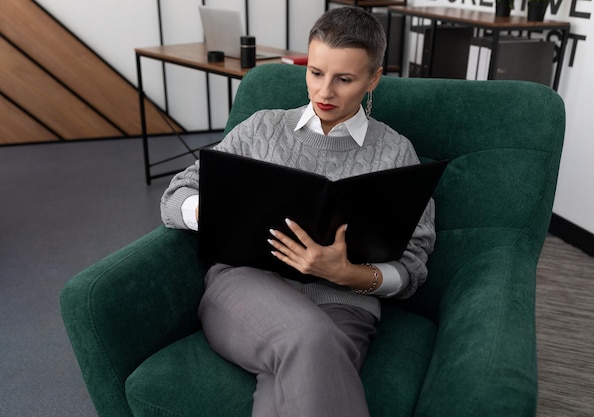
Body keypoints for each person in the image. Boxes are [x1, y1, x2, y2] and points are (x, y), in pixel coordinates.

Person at [160, 7, 435, 417]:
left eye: (345, 79)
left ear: (373, 78)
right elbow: (175, 196)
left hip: (346, 305)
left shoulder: (396, 153)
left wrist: (349, 275)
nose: (325, 92)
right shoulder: (261, 128)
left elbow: (412, 266)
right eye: (316, 73)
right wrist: (218, 211)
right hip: (244, 286)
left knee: (301, 369)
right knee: (310, 337)